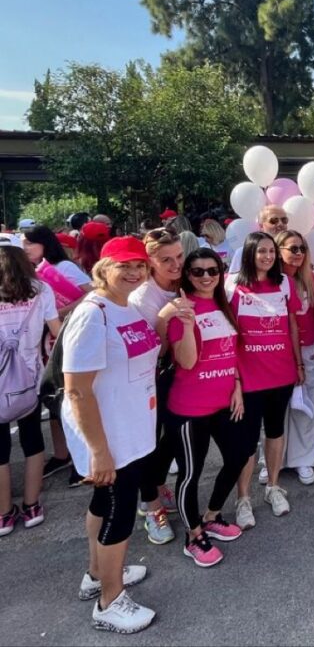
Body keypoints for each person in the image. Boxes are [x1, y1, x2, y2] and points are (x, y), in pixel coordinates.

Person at [61, 236, 161, 634]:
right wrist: (99, 451)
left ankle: (96, 574)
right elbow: (76, 390)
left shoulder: (126, 306)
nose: (134, 272)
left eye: (140, 265)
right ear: (104, 269)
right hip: (110, 435)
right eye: (125, 265)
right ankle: (110, 602)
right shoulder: (92, 314)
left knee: (104, 501)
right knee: (120, 511)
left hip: (131, 427)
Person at [164, 249, 248, 568]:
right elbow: (186, 362)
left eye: (212, 270)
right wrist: (187, 325)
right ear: (187, 275)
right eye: (198, 271)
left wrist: (236, 384)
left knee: (238, 456)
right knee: (191, 473)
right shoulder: (181, 309)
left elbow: (232, 351)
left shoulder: (223, 305)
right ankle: (193, 535)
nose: (206, 277)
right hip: (189, 409)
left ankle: (211, 516)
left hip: (223, 403)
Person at [226, 232, 302, 527]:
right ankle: (243, 498)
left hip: (280, 372)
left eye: (271, 251)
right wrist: (233, 376)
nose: (268, 256)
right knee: (246, 440)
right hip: (248, 376)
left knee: (275, 431)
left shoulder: (285, 283)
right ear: (249, 253)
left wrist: (298, 363)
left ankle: (273, 486)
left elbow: (292, 325)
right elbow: (228, 332)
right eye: (261, 251)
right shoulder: (232, 284)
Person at [129, 227, 186, 546]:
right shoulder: (142, 298)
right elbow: (153, 351)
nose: (176, 264)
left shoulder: (184, 282)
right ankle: (150, 506)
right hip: (149, 379)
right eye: (166, 260)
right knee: (149, 443)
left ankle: (157, 484)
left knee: (175, 437)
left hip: (182, 376)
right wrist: (165, 318)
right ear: (150, 262)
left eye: (179, 256)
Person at [21, 225, 92, 482]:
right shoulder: (31, 272)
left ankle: (83, 458)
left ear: (45, 243)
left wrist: (56, 312)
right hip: (46, 343)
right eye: (23, 243)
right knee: (53, 401)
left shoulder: (63, 267)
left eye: (30, 243)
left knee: (68, 399)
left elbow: (92, 294)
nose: (25, 248)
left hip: (68, 339)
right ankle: (62, 454)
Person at [0, 246, 60, 535]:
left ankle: (3, 514)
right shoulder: (41, 290)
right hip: (30, 378)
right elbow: (57, 330)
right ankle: (32, 505)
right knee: (33, 440)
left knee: (0, 450)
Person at [277, 230, 314, 486]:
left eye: (302, 249)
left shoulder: (311, 279)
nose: (298, 253)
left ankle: (304, 458)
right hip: (276, 354)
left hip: (309, 350)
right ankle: (273, 459)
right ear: (279, 251)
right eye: (293, 248)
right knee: (276, 409)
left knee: (307, 405)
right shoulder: (269, 281)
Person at [227, 205, 289, 274]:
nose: (280, 224)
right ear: (261, 225)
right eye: (274, 220)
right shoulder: (243, 252)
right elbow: (232, 279)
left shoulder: (294, 250)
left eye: (284, 220)